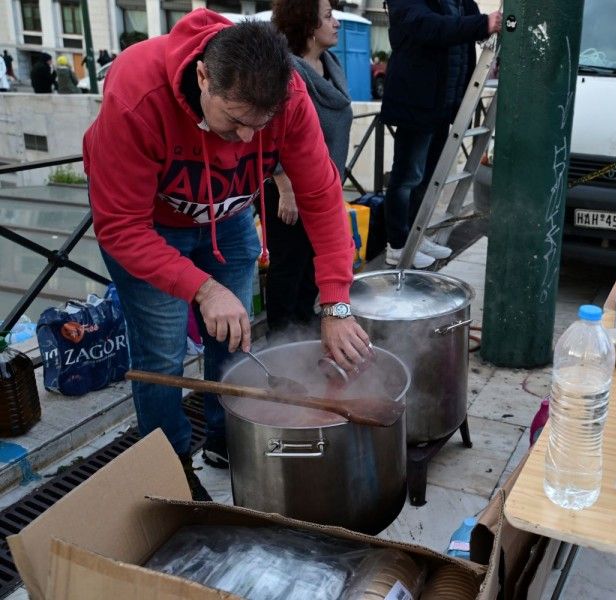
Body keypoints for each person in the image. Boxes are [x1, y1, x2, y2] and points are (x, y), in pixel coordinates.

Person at [83, 9, 371, 500]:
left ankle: (227, 437)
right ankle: (170, 464)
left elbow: (322, 199)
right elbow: (119, 227)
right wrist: (202, 287)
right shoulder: (137, 94)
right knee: (161, 356)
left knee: (234, 341)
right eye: (236, 121)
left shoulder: (290, 97)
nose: (245, 141)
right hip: (151, 229)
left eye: (261, 127)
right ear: (202, 78)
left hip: (231, 219)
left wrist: (336, 302)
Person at [380, 0, 502, 268]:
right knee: (407, 178)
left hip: (442, 105)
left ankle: (417, 236)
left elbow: (470, 24)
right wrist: (483, 23)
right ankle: (397, 245)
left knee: (426, 179)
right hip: (416, 102)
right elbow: (428, 26)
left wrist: (488, 25)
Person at [266, 0, 353, 333]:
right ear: (307, 25)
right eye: (328, 17)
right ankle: (280, 346)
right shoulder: (286, 71)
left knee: (311, 272)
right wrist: (284, 186)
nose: (337, 23)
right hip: (289, 191)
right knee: (287, 270)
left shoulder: (330, 64)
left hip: (322, 188)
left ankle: (305, 338)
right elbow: (271, 129)